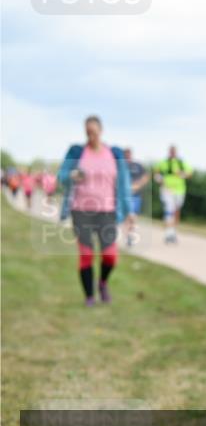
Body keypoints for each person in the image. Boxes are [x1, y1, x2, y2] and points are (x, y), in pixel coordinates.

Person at [57, 116, 132, 305]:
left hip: (107, 211)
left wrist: (129, 211)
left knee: (110, 256)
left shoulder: (113, 153)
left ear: (101, 130)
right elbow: (62, 176)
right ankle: (89, 296)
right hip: (81, 210)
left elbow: (123, 184)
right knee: (86, 254)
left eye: (94, 131)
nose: (91, 135)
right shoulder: (77, 152)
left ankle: (102, 283)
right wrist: (72, 175)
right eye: (87, 132)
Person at [154, 145, 191, 244]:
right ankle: (168, 233)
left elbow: (189, 173)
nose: (172, 153)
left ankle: (173, 232)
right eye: (171, 151)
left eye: (174, 151)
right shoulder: (163, 162)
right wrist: (160, 180)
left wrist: (181, 174)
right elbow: (156, 174)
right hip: (167, 190)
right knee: (169, 210)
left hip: (180, 190)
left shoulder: (181, 162)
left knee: (176, 211)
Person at [123, 148, 150, 247]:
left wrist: (138, 185)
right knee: (128, 216)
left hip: (136, 195)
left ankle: (130, 234)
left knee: (133, 216)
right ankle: (128, 235)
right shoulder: (120, 166)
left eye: (129, 154)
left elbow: (146, 176)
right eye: (126, 154)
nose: (128, 156)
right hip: (125, 195)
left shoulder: (137, 165)